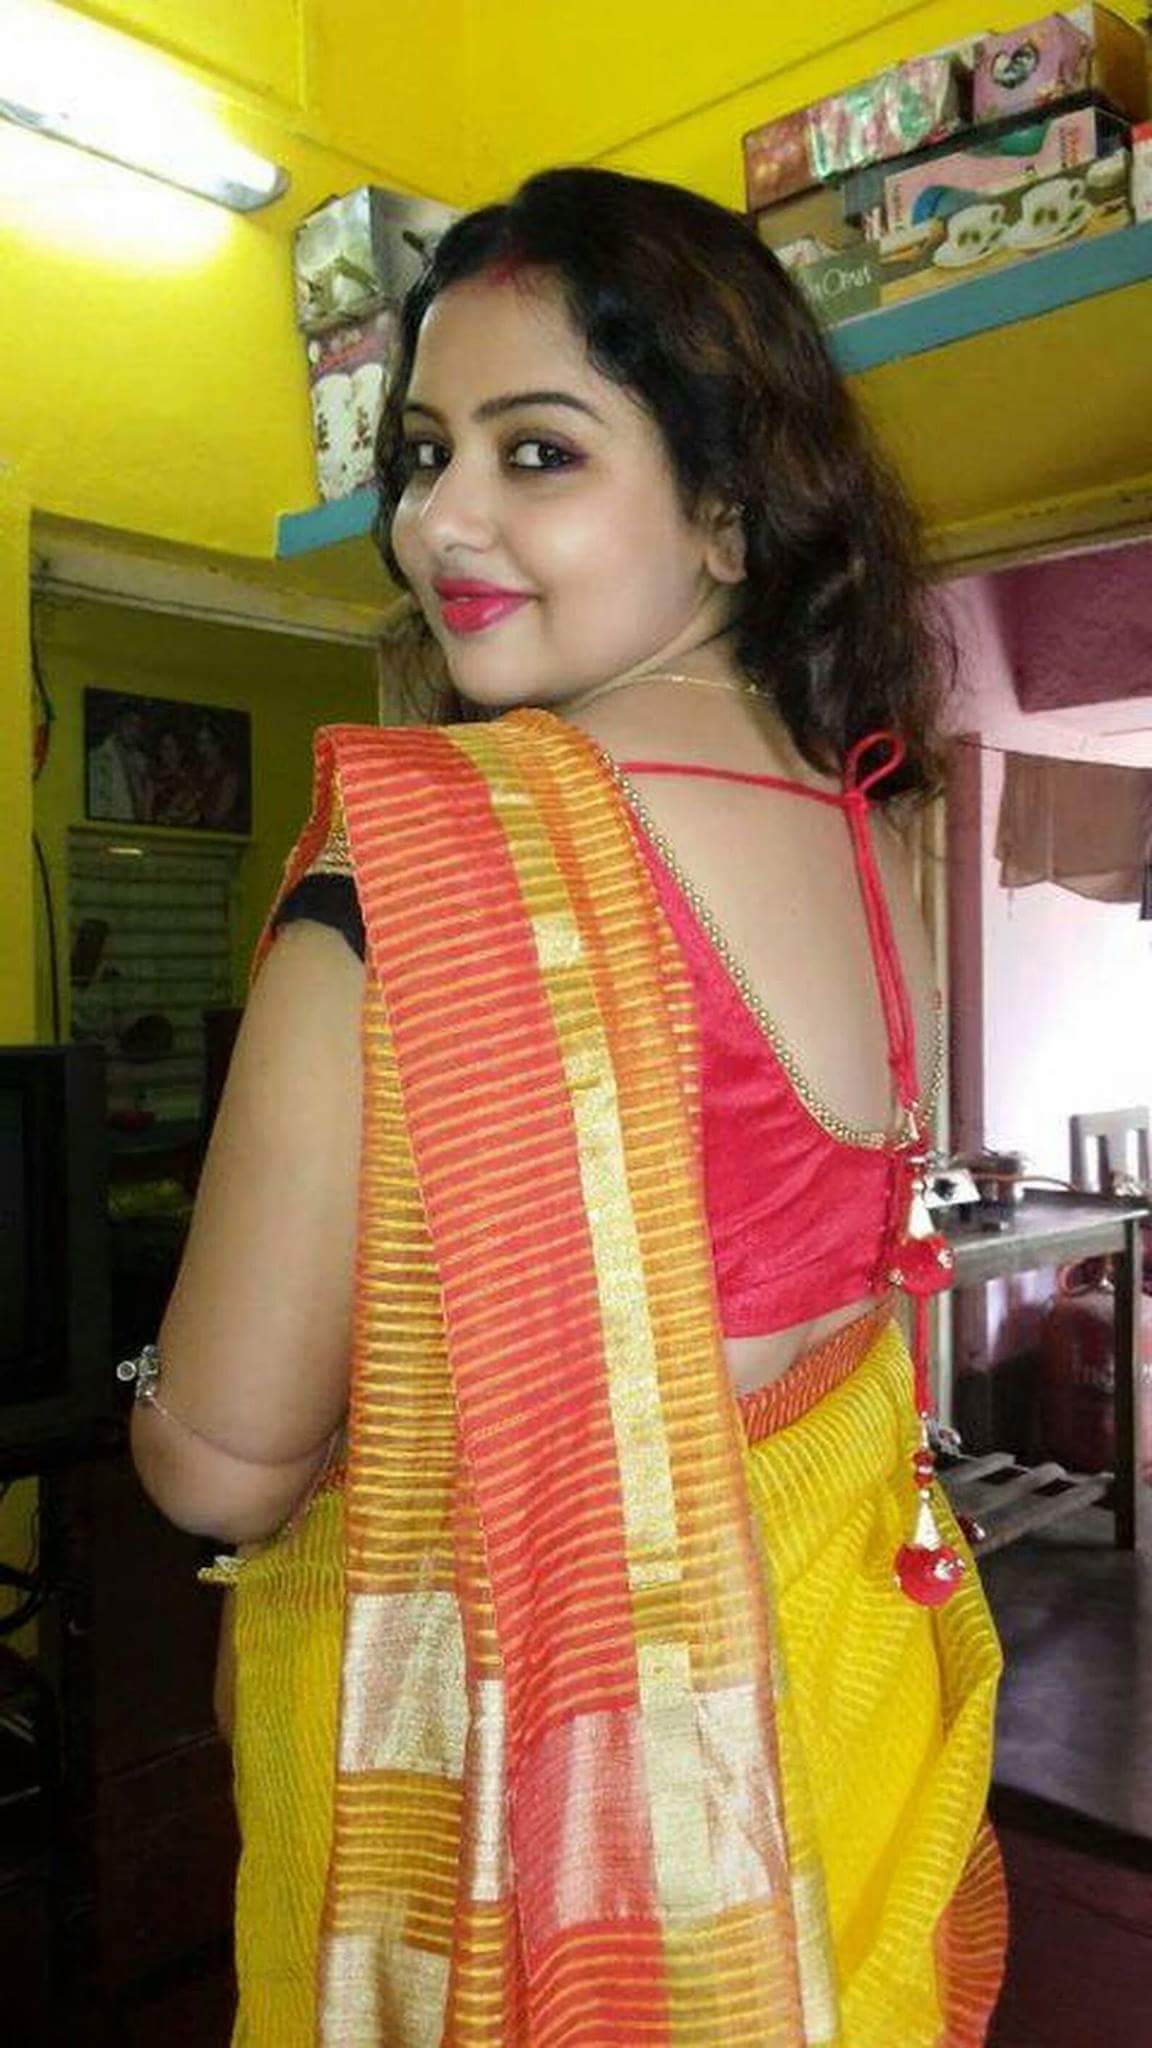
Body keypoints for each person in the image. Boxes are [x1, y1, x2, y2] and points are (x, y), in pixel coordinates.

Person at [127, 166, 1005, 2047]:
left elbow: (221, 1467)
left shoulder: (420, 869)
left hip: (563, 1824)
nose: (440, 520)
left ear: (729, 507)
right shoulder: (874, 832)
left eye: (539, 452)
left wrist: (167, 1382)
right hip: (819, 1753)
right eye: (424, 453)